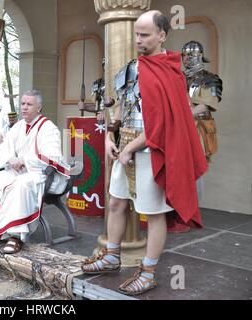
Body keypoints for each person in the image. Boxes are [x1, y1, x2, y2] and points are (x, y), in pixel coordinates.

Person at [82, 11, 208, 295]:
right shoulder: (129, 68)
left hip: (153, 151)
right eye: (136, 34)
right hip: (124, 147)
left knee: (153, 214)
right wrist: (109, 139)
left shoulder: (170, 70)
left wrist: (130, 147)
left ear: (162, 35)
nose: (138, 40)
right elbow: (118, 108)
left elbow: (163, 122)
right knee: (116, 204)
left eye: (145, 34)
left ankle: (149, 271)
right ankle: (112, 257)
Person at [0, 89, 70, 254]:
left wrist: (24, 160)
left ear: (38, 108)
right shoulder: (17, 126)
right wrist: (11, 159)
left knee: (20, 185)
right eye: (23, 103)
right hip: (17, 170)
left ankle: (16, 236)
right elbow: (4, 150)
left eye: (29, 104)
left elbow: (52, 156)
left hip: (38, 173)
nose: (24, 107)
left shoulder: (48, 128)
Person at [182, 40, 223, 160]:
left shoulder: (210, 79)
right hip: (180, 128)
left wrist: (182, 116)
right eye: (183, 55)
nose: (186, 59)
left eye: (190, 55)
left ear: (200, 57)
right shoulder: (179, 77)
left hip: (199, 128)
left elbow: (205, 105)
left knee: (196, 167)